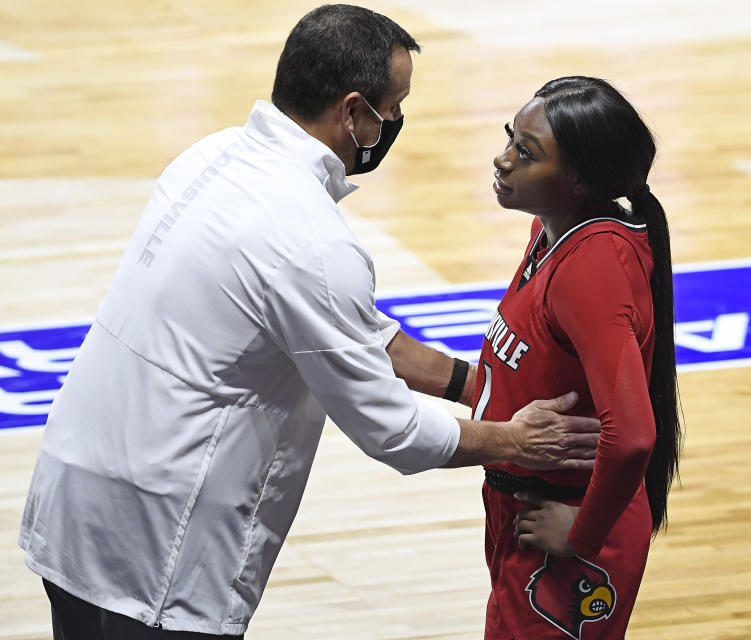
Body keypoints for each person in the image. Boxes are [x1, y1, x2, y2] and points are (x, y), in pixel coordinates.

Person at [18, 7, 601, 639]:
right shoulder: (311, 241)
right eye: (392, 108)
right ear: (353, 113)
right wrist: (516, 440)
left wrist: (473, 384)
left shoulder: (211, 156)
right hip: (159, 543)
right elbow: (393, 432)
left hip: (76, 501)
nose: (396, 124)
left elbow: (343, 324)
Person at [474, 76, 683, 639]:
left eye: (526, 151)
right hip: (526, 512)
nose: (502, 159)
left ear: (579, 179)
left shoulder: (591, 265)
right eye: (509, 138)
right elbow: (521, 374)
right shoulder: (553, 231)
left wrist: (582, 535)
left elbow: (635, 433)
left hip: (568, 525)